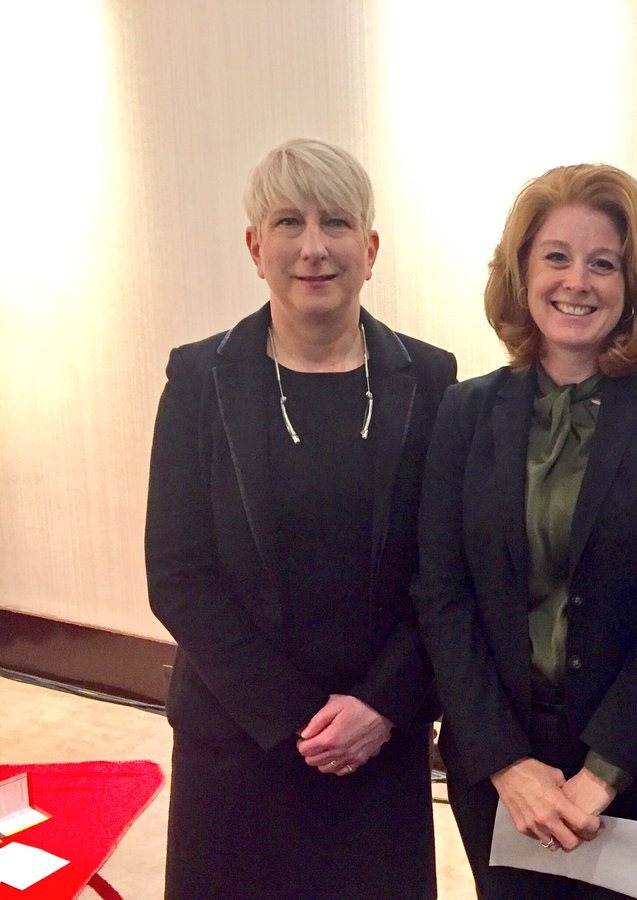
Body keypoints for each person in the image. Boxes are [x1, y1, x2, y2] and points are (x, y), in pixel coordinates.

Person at [145, 138, 455, 899]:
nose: (313, 247)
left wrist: (382, 707)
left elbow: (447, 574)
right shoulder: (198, 379)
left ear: (371, 248)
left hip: (379, 745)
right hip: (237, 740)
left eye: (337, 223)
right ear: (256, 247)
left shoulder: (433, 381)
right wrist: (295, 719)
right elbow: (178, 574)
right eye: (288, 222)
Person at [413, 163, 637, 899]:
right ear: (522, 271)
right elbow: (441, 593)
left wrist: (602, 772)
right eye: (555, 256)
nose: (576, 281)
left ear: (631, 282)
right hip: (501, 761)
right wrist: (505, 763)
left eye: (603, 263)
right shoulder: (463, 412)